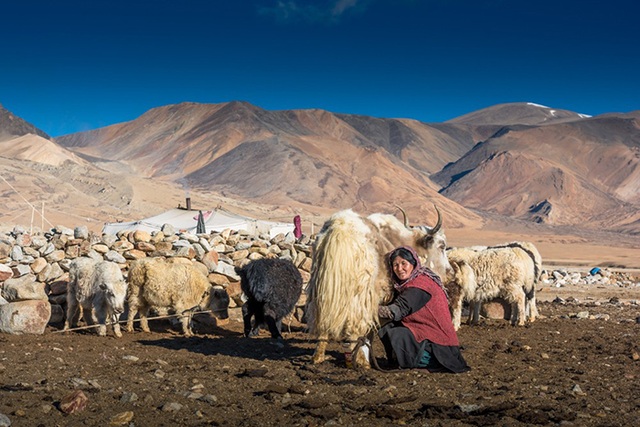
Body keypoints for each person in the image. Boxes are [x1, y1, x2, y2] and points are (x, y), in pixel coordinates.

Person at [378, 246, 470, 372]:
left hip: (440, 347)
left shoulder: (420, 286)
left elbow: (396, 310)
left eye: (404, 263)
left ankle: (425, 363)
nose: (400, 269)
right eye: (395, 265)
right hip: (431, 336)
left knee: (397, 332)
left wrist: (366, 309)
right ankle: (399, 360)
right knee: (388, 327)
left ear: (413, 263)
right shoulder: (414, 281)